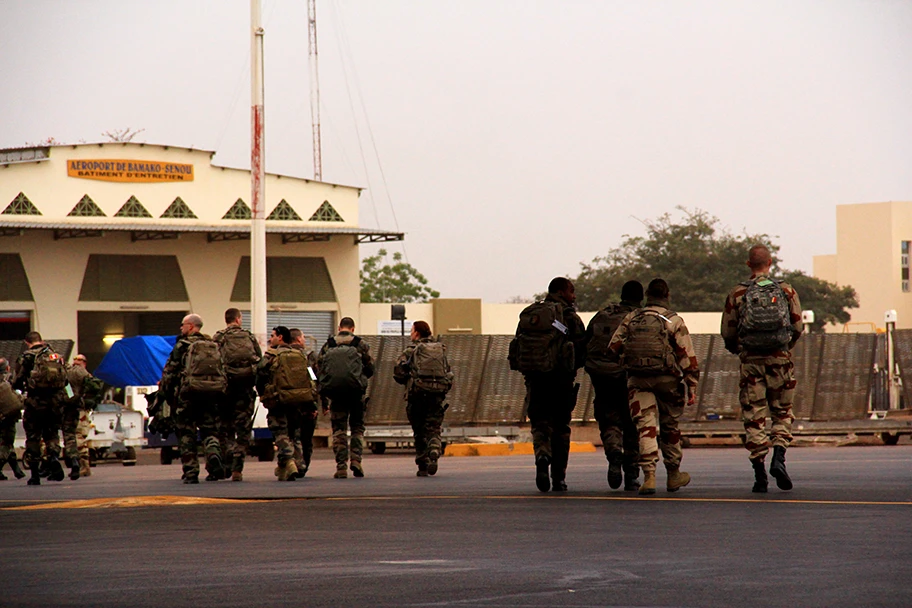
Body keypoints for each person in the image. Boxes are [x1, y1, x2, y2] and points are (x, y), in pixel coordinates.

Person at [721, 244, 803, 492]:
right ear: (770, 263)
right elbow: (797, 327)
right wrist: (785, 347)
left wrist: (740, 350)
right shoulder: (787, 290)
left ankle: (760, 476)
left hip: (751, 364)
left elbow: (728, 332)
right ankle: (779, 458)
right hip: (780, 362)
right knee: (782, 412)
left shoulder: (737, 293)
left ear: (749, 264)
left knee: (754, 417)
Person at [608, 278, 700, 496]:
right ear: (666, 296)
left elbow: (612, 347)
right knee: (670, 427)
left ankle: (649, 477)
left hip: (638, 380)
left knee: (645, 428)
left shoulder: (632, 318)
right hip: (668, 380)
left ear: (647, 295)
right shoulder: (673, 320)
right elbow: (687, 357)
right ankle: (673, 474)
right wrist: (692, 385)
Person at [510, 277, 586, 492]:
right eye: (571, 291)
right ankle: (559, 478)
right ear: (561, 292)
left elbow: (518, 345)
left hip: (535, 380)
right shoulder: (569, 317)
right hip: (561, 380)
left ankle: (542, 457)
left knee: (540, 424)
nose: (574, 296)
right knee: (561, 428)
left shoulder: (532, 315)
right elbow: (581, 349)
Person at [584, 280, 643, 491]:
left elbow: (585, 344)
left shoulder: (602, 315)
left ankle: (613, 454)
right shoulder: (641, 318)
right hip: (630, 378)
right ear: (640, 298)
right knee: (632, 424)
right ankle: (632, 474)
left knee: (609, 420)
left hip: (603, 376)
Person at [160, 314, 226, 484]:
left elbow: (169, 373)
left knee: (186, 433)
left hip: (187, 396)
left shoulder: (182, 345)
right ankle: (213, 455)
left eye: (182, 325)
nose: (180, 328)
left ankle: (191, 472)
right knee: (209, 430)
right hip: (211, 395)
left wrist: (166, 394)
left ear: (190, 326)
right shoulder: (213, 345)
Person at [394, 321, 453, 477]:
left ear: (417, 333)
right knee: (433, 427)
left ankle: (423, 464)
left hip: (417, 395)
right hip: (436, 395)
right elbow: (448, 372)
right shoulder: (440, 350)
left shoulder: (410, 351)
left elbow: (398, 374)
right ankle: (434, 447)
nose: (411, 333)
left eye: (412, 331)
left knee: (419, 430)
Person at [318, 317, 374, 479]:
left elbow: (320, 368)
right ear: (353, 328)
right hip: (356, 393)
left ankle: (341, 466)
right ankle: (356, 460)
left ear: (339, 327)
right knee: (357, 428)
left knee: (339, 430)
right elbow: (370, 368)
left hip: (336, 394)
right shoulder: (360, 344)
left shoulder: (329, 344)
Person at [256, 326, 314, 481]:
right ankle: (296, 464)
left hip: (278, 400)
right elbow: (311, 378)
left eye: (273, 335)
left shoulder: (271, 355)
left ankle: (289, 461)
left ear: (280, 337)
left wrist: (263, 395)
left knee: (280, 432)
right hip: (297, 401)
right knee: (294, 433)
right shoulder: (301, 355)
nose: (270, 338)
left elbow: (260, 374)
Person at [12, 331, 69, 485]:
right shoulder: (55, 356)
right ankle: (54, 458)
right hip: (55, 403)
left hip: (35, 403)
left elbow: (17, 381)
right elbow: (66, 381)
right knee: (51, 434)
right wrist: (68, 399)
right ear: (41, 340)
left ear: (26, 342)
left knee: (33, 437)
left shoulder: (26, 357)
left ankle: (35, 474)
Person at [213, 308, 262, 482]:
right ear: (238, 319)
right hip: (245, 391)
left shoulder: (218, 337)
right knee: (243, 431)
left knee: (224, 429)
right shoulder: (248, 336)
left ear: (226, 320)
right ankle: (237, 469)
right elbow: (259, 362)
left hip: (225, 391)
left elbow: (212, 363)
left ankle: (225, 464)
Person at [289, 328, 319, 479]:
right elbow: (313, 380)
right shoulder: (305, 357)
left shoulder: (281, 356)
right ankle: (303, 465)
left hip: (288, 403)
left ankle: (292, 463)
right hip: (305, 403)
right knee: (306, 438)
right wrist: (316, 405)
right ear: (299, 339)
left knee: (292, 436)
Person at [64, 354, 97, 478]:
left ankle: (84, 466)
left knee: (79, 437)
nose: (76, 361)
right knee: (75, 437)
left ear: (84, 362)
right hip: (76, 408)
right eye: (75, 359)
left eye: (79, 360)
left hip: (80, 410)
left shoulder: (83, 375)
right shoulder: (80, 375)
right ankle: (81, 465)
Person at [0, 358, 27, 480]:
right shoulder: (7, 380)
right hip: (7, 417)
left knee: (6, 442)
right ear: (7, 368)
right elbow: (15, 399)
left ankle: (17, 470)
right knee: (7, 442)